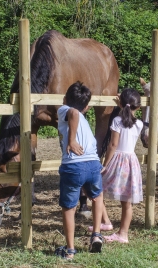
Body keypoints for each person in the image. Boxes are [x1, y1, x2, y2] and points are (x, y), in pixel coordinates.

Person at [54, 81, 104, 259]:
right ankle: (96, 235)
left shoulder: (64, 110)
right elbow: (77, 112)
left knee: (69, 207)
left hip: (73, 165)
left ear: (65, 99)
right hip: (93, 163)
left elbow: (73, 112)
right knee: (97, 197)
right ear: (88, 107)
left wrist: (71, 140)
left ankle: (70, 250)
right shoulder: (83, 117)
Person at [89, 88, 143, 243]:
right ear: (138, 107)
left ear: (120, 103)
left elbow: (113, 144)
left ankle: (105, 222)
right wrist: (123, 105)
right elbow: (129, 114)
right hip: (131, 161)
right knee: (127, 202)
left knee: (97, 188)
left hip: (118, 160)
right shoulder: (139, 124)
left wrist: (105, 164)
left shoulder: (117, 121)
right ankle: (123, 233)